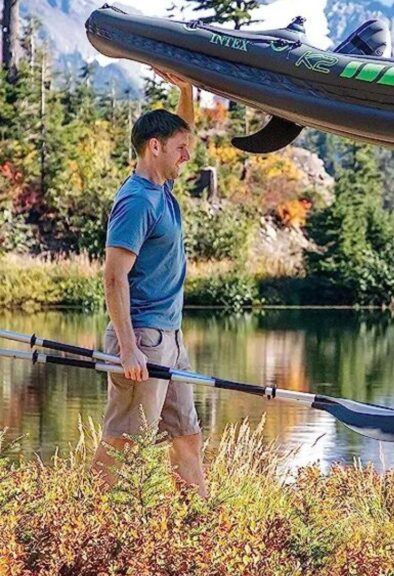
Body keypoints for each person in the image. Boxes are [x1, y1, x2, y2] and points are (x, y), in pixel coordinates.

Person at [90, 69, 207, 496]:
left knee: (186, 436)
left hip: (170, 338)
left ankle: (198, 524)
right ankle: (89, 526)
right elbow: (113, 276)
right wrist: (127, 347)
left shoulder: (161, 188)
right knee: (124, 441)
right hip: (142, 336)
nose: (187, 156)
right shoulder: (138, 200)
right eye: (180, 149)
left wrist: (186, 89)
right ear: (153, 148)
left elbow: (184, 130)